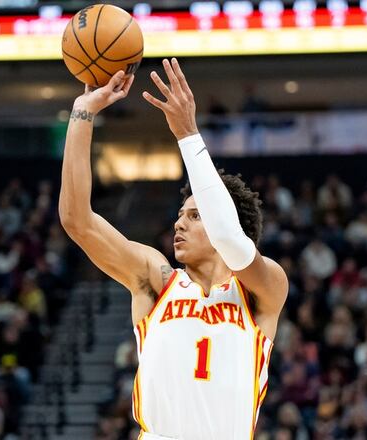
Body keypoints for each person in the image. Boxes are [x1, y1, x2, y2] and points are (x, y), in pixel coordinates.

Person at [58, 59, 289, 440]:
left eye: (196, 216)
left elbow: (230, 239)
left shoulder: (263, 288)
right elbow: (76, 219)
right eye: (181, 214)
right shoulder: (157, 279)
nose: (179, 223)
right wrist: (83, 113)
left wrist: (188, 135)